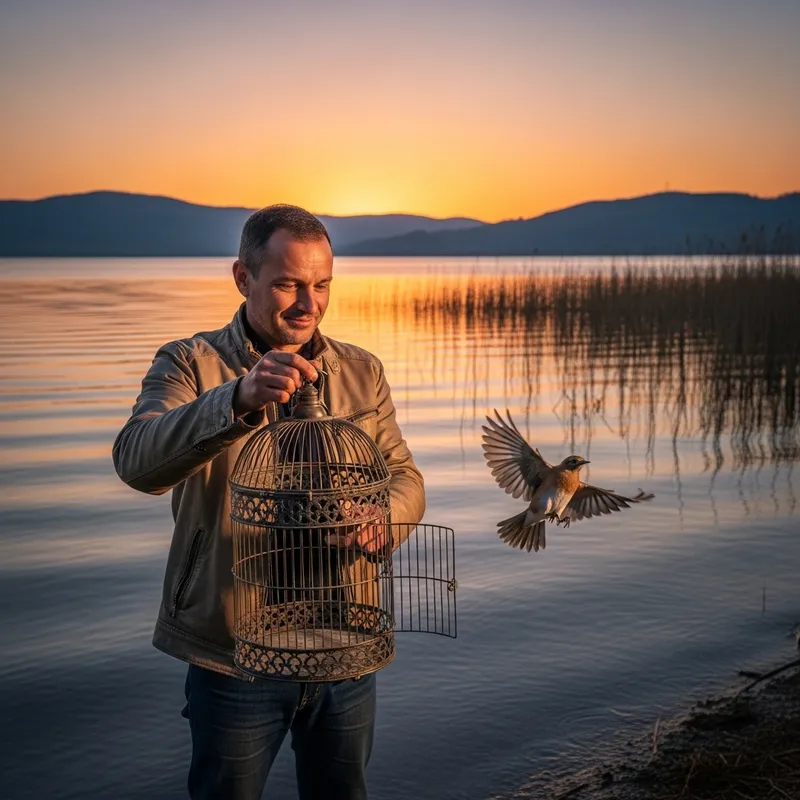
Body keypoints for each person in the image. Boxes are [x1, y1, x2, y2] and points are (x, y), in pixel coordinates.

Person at [112, 204, 426, 800]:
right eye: (288, 284)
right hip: (233, 654)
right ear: (242, 277)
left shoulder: (362, 371)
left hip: (345, 642)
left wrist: (384, 518)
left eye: (322, 285)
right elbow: (136, 461)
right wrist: (236, 398)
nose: (309, 305)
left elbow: (404, 477)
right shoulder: (189, 362)